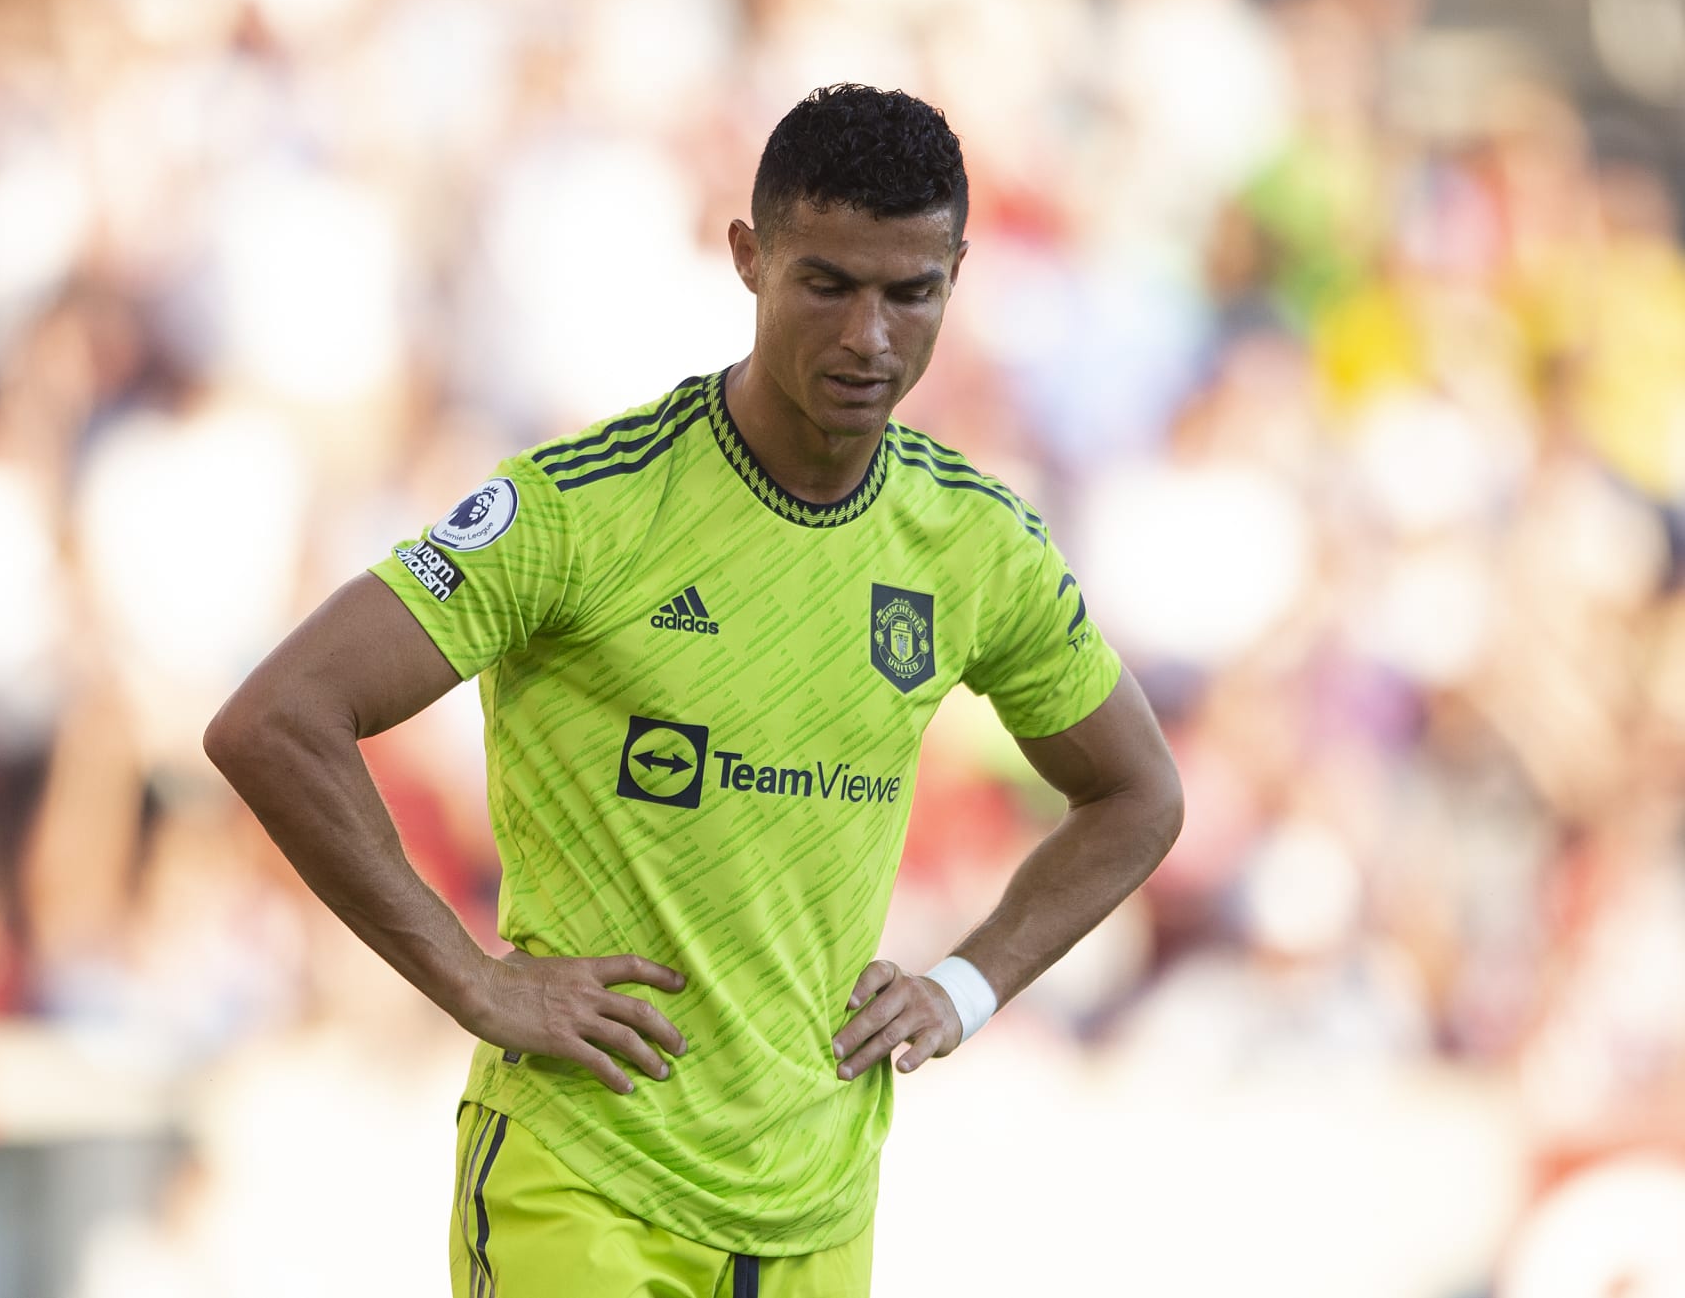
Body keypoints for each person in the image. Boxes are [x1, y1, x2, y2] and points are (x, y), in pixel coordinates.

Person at [204, 83, 1184, 1298]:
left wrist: (966, 985)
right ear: (748, 257)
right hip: (584, 1181)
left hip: (816, 1205)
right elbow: (276, 719)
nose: (869, 337)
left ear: (958, 278)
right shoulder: (586, 506)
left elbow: (1138, 794)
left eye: (910, 293)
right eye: (827, 283)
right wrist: (472, 977)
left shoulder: (976, 543)